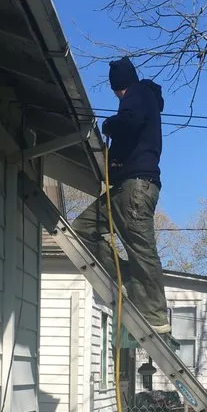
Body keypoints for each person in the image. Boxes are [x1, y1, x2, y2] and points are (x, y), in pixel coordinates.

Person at [72, 57, 172, 336]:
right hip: (127, 188)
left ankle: (154, 316)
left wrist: (108, 125)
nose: (116, 95)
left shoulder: (139, 93)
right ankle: (126, 280)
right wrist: (113, 162)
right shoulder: (143, 101)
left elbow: (128, 122)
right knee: (80, 230)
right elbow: (133, 134)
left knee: (142, 250)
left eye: (116, 90)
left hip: (136, 189)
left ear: (119, 86)